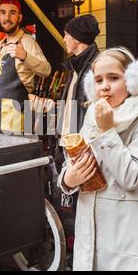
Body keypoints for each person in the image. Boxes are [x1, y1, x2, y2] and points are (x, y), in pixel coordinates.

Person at [57, 47, 138, 271]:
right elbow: (76, 160)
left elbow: (133, 177)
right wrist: (68, 178)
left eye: (113, 78)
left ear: (133, 81)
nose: (104, 86)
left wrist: (106, 131)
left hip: (123, 231)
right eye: (98, 80)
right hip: (88, 228)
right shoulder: (93, 113)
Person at [0, 0, 51, 133]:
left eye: (12, 13)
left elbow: (47, 70)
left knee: (16, 154)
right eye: (3, 12)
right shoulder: (2, 45)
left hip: (18, 116)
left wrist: (25, 56)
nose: (7, 17)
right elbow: (2, 81)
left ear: (19, 17)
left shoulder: (27, 42)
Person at [55, 14, 100, 172]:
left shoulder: (96, 68)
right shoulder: (75, 67)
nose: (63, 39)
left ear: (77, 38)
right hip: (68, 147)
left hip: (81, 151)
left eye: (66, 34)